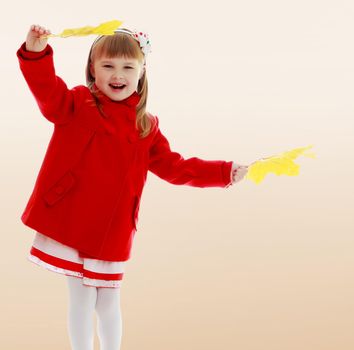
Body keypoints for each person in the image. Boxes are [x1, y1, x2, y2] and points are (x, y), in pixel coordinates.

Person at [17, 24, 249, 350]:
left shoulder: (146, 125)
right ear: (92, 70)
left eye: (128, 67)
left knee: (109, 302)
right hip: (72, 218)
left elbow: (176, 167)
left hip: (113, 228)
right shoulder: (76, 103)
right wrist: (36, 52)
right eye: (108, 66)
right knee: (81, 298)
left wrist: (223, 172)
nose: (118, 75)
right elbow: (45, 89)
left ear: (141, 73)